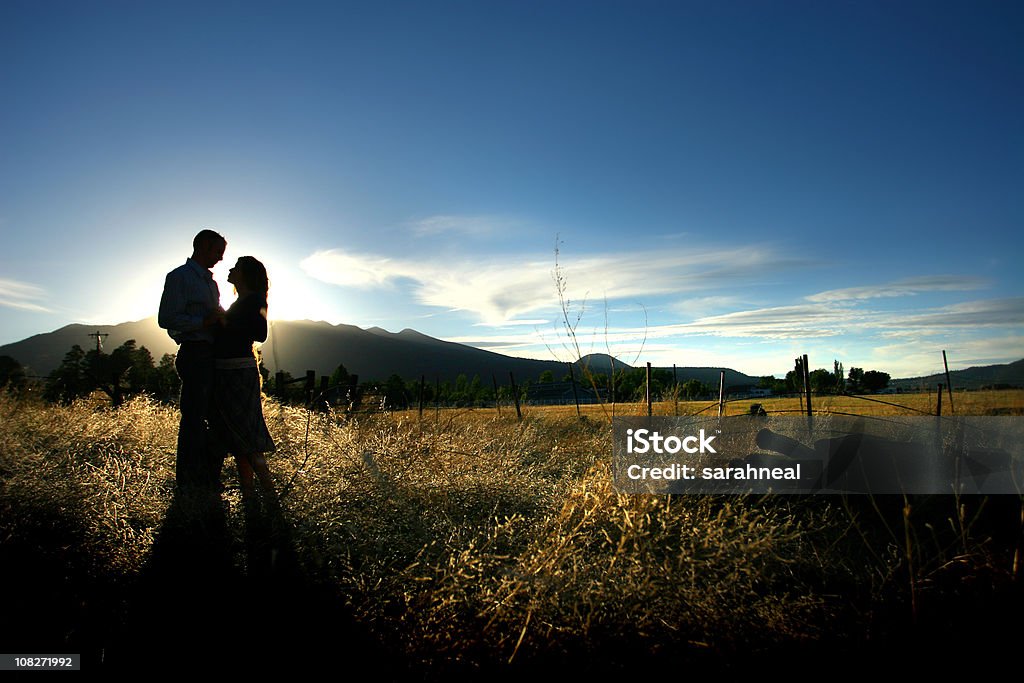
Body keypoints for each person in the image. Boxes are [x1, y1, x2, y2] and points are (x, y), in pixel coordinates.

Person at [210, 256, 279, 528]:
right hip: (233, 371)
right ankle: (251, 500)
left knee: (246, 437)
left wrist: (223, 322)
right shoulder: (246, 300)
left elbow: (260, 334)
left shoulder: (253, 300)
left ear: (245, 274)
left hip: (236, 372)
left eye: (235, 266)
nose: (229, 269)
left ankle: (270, 498)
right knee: (241, 439)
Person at [158, 229, 227, 493]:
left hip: (212, 354)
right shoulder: (179, 277)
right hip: (195, 352)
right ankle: (187, 481)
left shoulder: (211, 283)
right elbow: (166, 318)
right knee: (194, 418)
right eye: (217, 252)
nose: (220, 259)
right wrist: (204, 321)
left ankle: (207, 476)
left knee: (213, 416)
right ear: (202, 247)